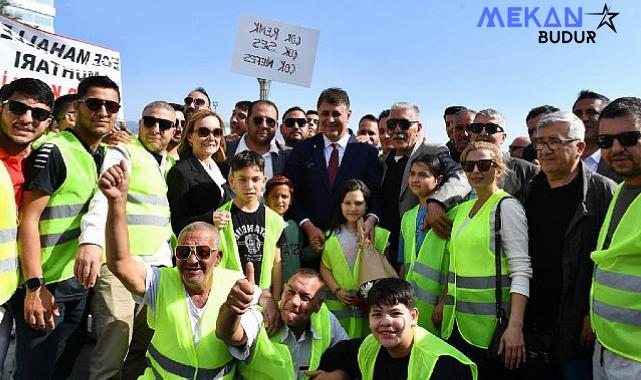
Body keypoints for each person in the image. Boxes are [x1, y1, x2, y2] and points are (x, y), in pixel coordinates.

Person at [97, 161, 262, 379]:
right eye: (183, 252)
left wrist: (233, 308)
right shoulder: (161, 280)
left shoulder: (239, 287)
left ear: (218, 257)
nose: (192, 259)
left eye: (203, 252)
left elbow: (232, 336)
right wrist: (117, 202)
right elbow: (119, 263)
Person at [13, 75, 119, 379]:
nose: (103, 111)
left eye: (111, 106)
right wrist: (35, 286)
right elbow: (28, 220)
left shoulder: (99, 154)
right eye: (94, 103)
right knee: (36, 372)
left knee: (62, 367)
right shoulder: (55, 150)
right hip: (46, 285)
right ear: (78, 106)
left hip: (76, 285)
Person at [78, 100, 177, 379]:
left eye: (165, 124)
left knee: (140, 350)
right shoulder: (122, 151)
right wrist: (92, 242)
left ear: (174, 131)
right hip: (119, 267)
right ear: (140, 122)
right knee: (114, 346)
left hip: (155, 272)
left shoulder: (167, 163)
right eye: (149, 121)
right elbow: (102, 199)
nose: (156, 129)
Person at [523, 111, 615, 379]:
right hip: (531, 319)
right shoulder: (528, 189)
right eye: (540, 142)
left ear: (580, 147)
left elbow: (609, 259)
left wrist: (591, 311)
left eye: (555, 141)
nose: (545, 149)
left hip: (576, 323)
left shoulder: (604, 193)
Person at [439, 141, 532, 377]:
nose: (475, 171)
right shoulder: (462, 209)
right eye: (469, 166)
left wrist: (515, 326)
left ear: (498, 169)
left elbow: (521, 269)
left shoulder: (507, 207)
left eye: (483, 164)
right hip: (456, 323)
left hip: (492, 329)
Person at [284, 88, 382, 261]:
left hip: (352, 246)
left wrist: (371, 219)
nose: (330, 120)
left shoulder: (367, 153)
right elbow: (290, 193)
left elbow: (375, 193)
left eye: (336, 114)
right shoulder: (303, 149)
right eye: (324, 113)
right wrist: (307, 226)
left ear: (348, 114)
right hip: (309, 245)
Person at [312, 278, 477, 380]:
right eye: (377, 314)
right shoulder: (368, 346)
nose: (385, 322)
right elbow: (337, 357)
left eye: (395, 313)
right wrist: (339, 376)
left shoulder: (445, 366)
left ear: (413, 317)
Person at [0, 77, 54, 375]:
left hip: (9, 290)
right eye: (18, 108)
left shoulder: (36, 158)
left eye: (39, 114)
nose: (27, 119)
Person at [381, 102, 469, 271]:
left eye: (405, 124)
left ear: (418, 127)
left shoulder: (433, 150)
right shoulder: (383, 162)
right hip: (387, 252)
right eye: (392, 125)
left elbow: (462, 176)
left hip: (420, 250)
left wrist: (437, 202)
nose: (398, 130)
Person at [218, 268, 349, 379]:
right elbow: (229, 334)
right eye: (290, 292)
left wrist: (337, 376)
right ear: (283, 290)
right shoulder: (261, 316)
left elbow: (351, 356)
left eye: (305, 298)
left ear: (318, 305)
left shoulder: (325, 319)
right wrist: (234, 308)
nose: (294, 302)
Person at [590, 97, 641, 379]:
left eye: (629, 138)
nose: (617, 148)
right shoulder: (621, 189)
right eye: (606, 141)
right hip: (608, 345)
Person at [213, 150, 284, 327]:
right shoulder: (221, 217)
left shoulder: (274, 220)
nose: (249, 185)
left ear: (264, 181)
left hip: (263, 297)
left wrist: (274, 299)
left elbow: (277, 262)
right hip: (230, 294)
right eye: (242, 179)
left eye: (255, 179)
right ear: (232, 181)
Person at [319, 179, 390, 338]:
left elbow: (386, 270)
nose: (352, 208)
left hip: (369, 314)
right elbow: (325, 268)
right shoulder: (330, 236)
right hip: (339, 313)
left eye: (358, 203)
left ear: (366, 205)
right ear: (340, 204)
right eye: (347, 203)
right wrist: (337, 291)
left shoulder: (380, 236)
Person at [400, 154, 452, 336]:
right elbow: (403, 264)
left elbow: (455, 264)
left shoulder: (448, 216)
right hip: (410, 305)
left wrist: (445, 300)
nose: (415, 179)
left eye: (423, 175)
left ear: (438, 180)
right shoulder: (407, 217)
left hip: (437, 306)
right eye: (412, 174)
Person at [167, 109, 229, 235]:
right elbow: (176, 223)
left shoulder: (222, 168)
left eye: (217, 132)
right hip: (197, 248)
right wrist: (209, 219)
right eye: (203, 132)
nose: (211, 137)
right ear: (190, 136)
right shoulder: (180, 172)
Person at [469, 108, 539, 202]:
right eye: (477, 128)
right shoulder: (460, 168)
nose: (483, 133)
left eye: (491, 128)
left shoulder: (527, 171)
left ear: (503, 137)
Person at [226, 100, 290, 180]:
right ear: (247, 122)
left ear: (276, 126)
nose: (264, 125)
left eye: (270, 122)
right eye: (258, 120)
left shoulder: (288, 156)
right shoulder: (225, 150)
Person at [572, 90, 622, 182]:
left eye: (592, 112)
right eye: (578, 113)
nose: (584, 118)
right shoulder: (563, 159)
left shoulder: (623, 159)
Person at [265, 176, 304, 283]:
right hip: (267, 288)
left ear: (291, 200)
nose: (279, 200)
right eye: (274, 196)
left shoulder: (293, 226)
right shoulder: (261, 225)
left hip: (291, 286)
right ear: (266, 198)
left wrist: (316, 249)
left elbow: (301, 253)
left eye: (284, 196)